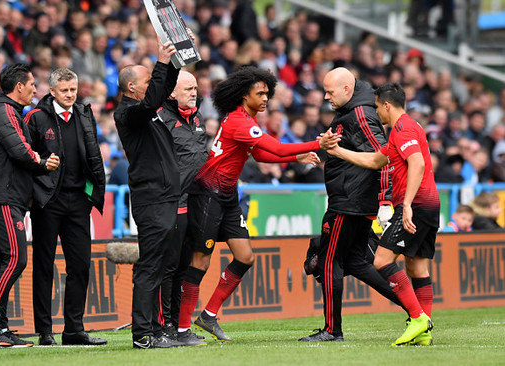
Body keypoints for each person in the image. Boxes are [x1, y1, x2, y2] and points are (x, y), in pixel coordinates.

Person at [176, 66, 322, 345]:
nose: (266, 98)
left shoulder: (246, 121)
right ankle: (182, 330)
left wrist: (297, 159)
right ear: (245, 96)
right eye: (261, 93)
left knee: (245, 256)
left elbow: (264, 155)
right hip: (207, 194)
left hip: (227, 195)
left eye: (268, 93)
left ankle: (208, 315)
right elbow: (277, 148)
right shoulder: (240, 122)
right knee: (200, 261)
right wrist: (318, 143)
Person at [326, 82, 437, 346]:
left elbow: (418, 163)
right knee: (417, 267)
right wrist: (337, 150)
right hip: (429, 204)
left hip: (416, 204)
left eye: (377, 107)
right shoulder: (408, 127)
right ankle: (424, 331)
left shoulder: (404, 129)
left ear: (387, 105)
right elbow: (377, 160)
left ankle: (418, 317)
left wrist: (407, 204)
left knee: (382, 260)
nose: (376, 113)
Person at [299, 68, 401, 343]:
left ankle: (332, 330)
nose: (325, 96)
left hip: (349, 201)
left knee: (329, 261)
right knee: (356, 261)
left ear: (347, 89)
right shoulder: (354, 110)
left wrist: (385, 199)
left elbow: (384, 155)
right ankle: (415, 308)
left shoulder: (360, 114)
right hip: (352, 199)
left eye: (330, 92)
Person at [0, 63, 60, 348]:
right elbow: (20, 150)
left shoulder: (7, 111)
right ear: (19, 87)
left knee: (5, 260)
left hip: (8, 195)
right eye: (32, 84)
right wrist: (43, 162)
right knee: (15, 259)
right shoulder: (5, 111)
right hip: (3, 195)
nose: (36, 89)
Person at [26, 68, 106, 346]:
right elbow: (26, 159)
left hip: (78, 202)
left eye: (73, 89)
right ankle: (44, 331)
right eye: (65, 90)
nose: (70, 95)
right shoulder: (36, 118)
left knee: (81, 266)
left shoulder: (85, 113)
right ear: (52, 91)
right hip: (48, 202)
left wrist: (94, 191)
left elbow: (93, 154)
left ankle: (74, 329)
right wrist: (34, 194)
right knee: (44, 266)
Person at [113, 37, 183, 349]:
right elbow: (156, 94)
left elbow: (164, 86)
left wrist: (176, 56)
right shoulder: (129, 113)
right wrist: (161, 61)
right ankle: (142, 334)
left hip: (164, 197)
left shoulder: (147, 108)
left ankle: (154, 329)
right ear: (131, 88)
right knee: (150, 266)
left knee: (159, 265)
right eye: (146, 80)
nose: (152, 83)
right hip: (151, 199)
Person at [156, 71, 209, 341]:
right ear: (172, 92)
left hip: (197, 202)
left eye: (196, 88)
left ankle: (179, 326)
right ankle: (164, 325)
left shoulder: (198, 117)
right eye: (188, 88)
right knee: (169, 266)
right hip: (173, 203)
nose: (194, 92)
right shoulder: (161, 119)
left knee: (186, 266)